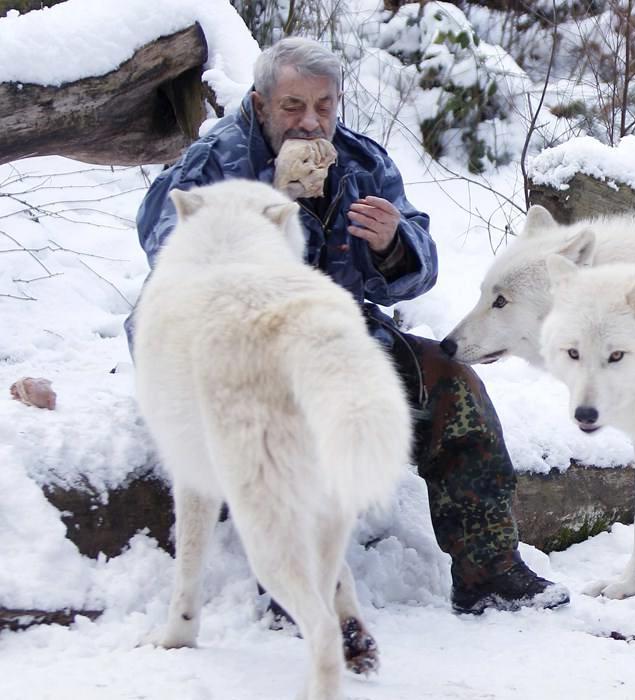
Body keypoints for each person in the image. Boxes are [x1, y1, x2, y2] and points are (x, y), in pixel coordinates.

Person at [128, 36, 568, 615]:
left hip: (336, 334)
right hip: (231, 352)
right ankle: (298, 584)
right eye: (292, 107)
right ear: (261, 105)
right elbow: (170, 260)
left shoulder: (361, 163)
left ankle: (489, 571)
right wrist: (268, 206)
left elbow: (420, 269)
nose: (310, 123)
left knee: (453, 388)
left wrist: (393, 245)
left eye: (324, 107)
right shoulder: (211, 165)